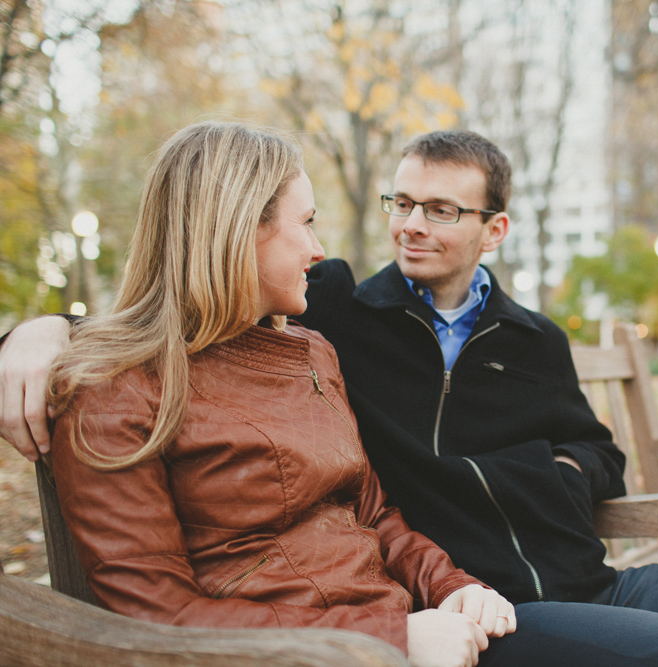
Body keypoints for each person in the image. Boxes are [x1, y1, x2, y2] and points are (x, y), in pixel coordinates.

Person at [1, 129, 658, 666]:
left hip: (550, 583)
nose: (407, 224)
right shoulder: (346, 317)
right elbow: (166, 309)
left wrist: (532, 486)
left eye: (440, 209)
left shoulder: (528, 339)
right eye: (402, 202)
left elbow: (589, 459)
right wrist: (43, 328)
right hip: (441, 619)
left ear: (492, 229)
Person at [31, 121, 516, 667]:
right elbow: (158, 616)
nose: (319, 248)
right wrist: (388, 639)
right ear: (236, 232)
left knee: (631, 646)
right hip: (316, 653)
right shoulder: (117, 389)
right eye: (306, 224)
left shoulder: (312, 352)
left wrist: (450, 586)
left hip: (414, 630)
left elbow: (374, 514)